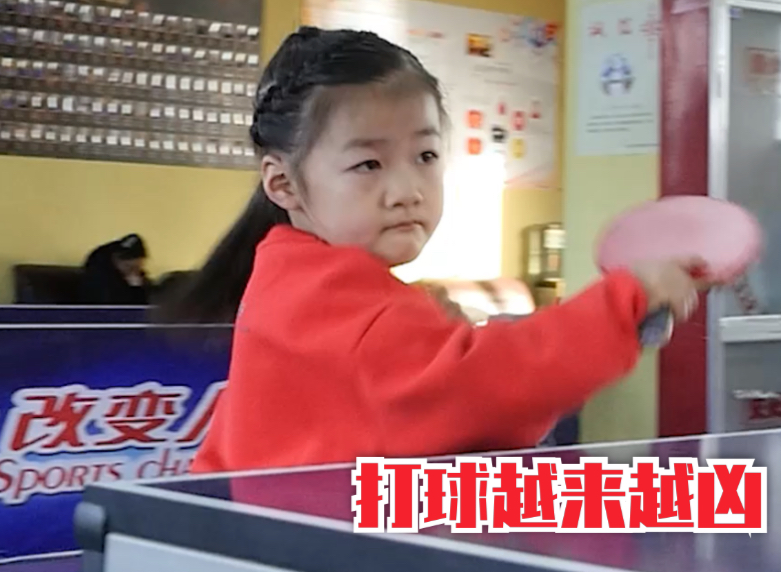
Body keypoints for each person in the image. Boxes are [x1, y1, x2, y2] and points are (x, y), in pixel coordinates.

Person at [155, 27, 711, 474]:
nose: (407, 190)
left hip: (304, 541)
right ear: (283, 185)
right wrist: (626, 301)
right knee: (693, 501)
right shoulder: (321, 296)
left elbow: (463, 421)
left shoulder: (297, 278)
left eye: (425, 156)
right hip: (297, 559)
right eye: (368, 164)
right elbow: (484, 389)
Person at [80, 233, 151, 305]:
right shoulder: (97, 277)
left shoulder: (139, 278)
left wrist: (137, 289)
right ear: (114, 258)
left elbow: (143, 307)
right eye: (126, 263)